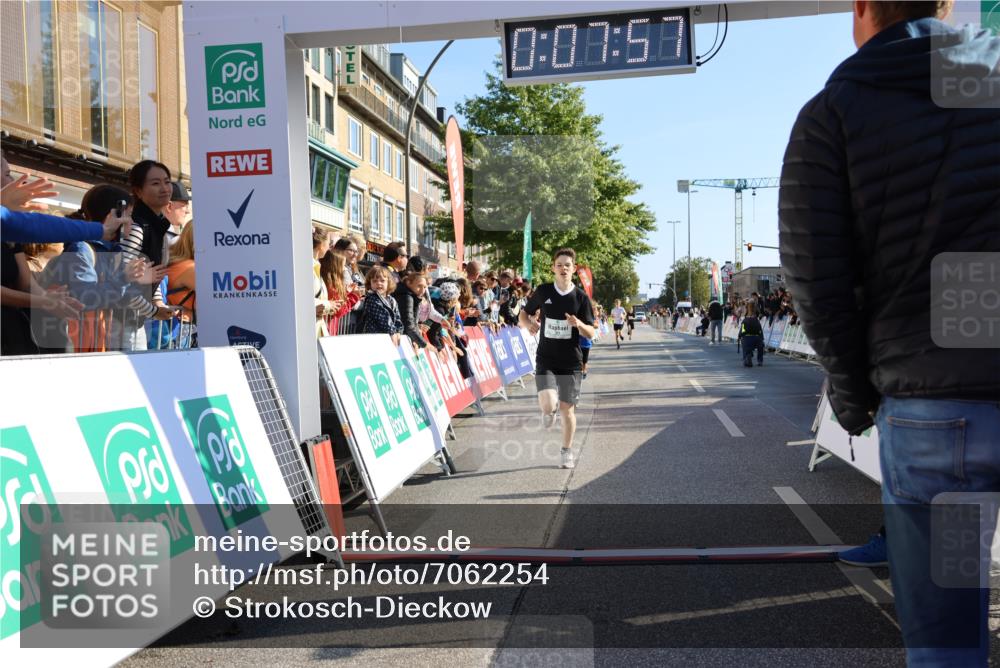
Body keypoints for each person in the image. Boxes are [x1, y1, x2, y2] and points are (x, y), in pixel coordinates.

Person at [778, 2, 999, 664]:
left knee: (951, 639)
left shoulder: (835, 113)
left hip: (939, 420)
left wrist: (852, 396)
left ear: (863, 10)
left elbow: (817, 277)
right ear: (945, 8)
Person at [519, 248, 596, 470]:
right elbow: (523, 315)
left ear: (574, 268)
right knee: (549, 404)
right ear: (553, 267)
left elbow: (591, 333)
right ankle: (547, 412)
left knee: (567, 409)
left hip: (571, 361)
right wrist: (529, 324)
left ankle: (566, 451)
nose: (563, 268)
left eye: (567, 265)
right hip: (546, 358)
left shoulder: (581, 297)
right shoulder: (543, 291)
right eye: (559, 264)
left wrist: (578, 324)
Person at [127, 160, 173, 266]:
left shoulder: (161, 224)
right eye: (155, 183)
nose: (165, 189)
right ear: (138, 191)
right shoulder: (135, 227)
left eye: (167, 182)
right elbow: (122, 273)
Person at [359, 264, 403, 345]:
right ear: (370, 283)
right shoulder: (372, 298)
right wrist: (392, 332)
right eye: (374, 281)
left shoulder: (392, 300)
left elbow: (397, 318)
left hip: (387, 337)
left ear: (389, 282)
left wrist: (399, 331)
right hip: (373, 339)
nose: (378, 283)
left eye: (382, 281)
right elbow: (383, 317)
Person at [393, 270, 429, 350]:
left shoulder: (412, 296)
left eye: (425, 287)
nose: (422, 290)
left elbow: (412, 322)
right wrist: (425, 345)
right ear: (409, 283)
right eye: (419, 286)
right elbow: (409, 326)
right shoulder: (406, 297)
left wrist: (415, 340)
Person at [737, 302, 765, 368]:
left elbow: (742, 330)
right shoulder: (756, 320)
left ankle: (746, 357)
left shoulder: (745, 320)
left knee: (745, 345)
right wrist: (762, 338)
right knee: (760, 346)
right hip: (757, 338)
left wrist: (739, 336)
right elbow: (760, 330)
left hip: (747, 338)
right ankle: (760, 360)